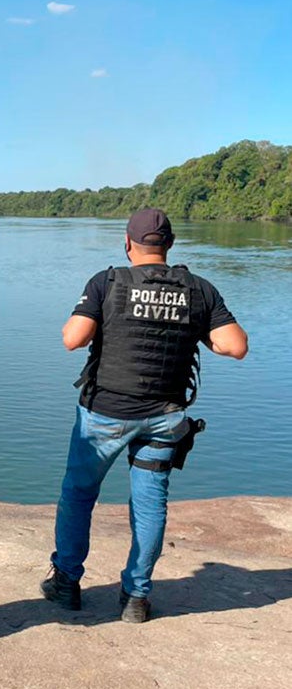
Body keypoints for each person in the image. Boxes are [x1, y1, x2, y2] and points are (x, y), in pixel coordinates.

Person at [42, 208, 248, 622]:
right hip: (165, 417)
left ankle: (66, 582)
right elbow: (236, 345)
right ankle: (135, 597)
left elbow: (73, 339)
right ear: (169, 245)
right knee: (150, 505)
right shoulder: (199, 290)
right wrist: (197, 331)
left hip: (104, 414)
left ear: (127, 243)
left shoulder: (108, 282)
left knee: (79, 495)